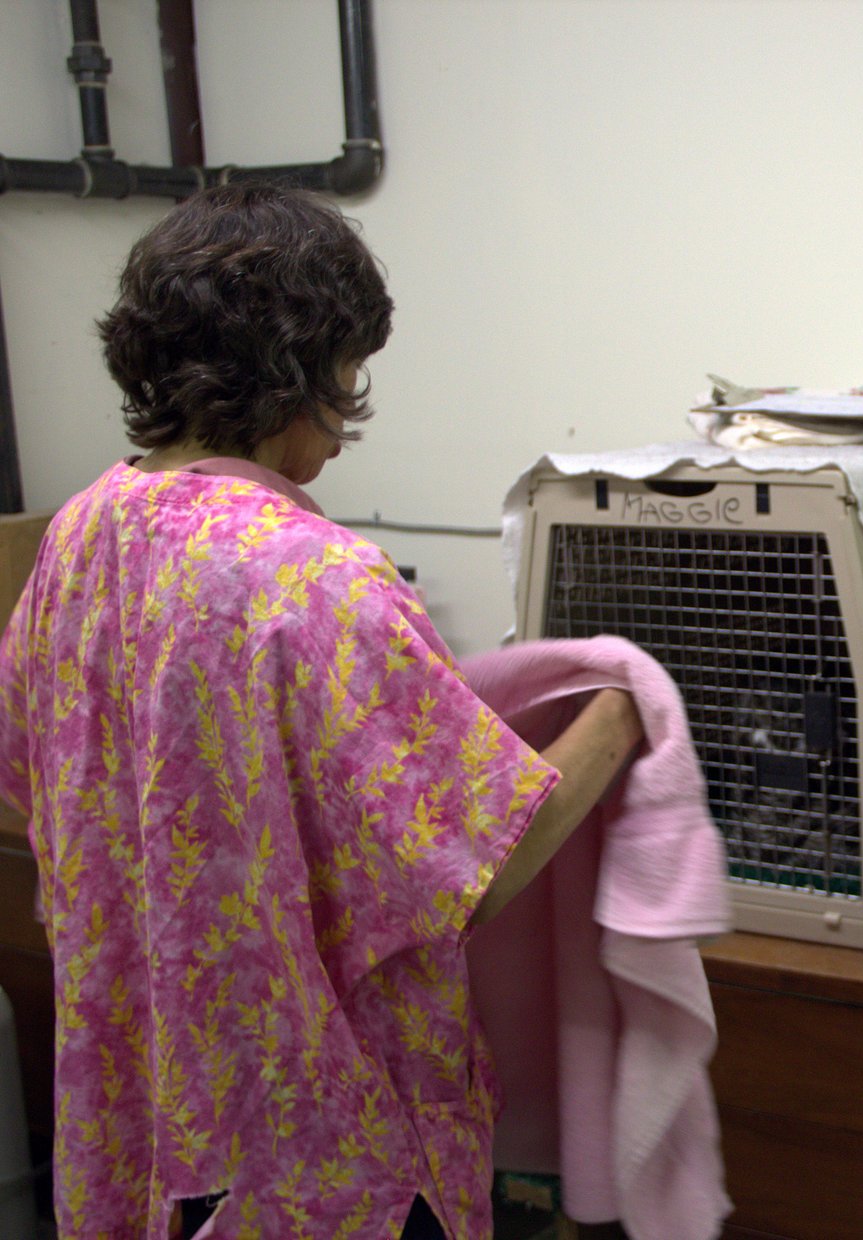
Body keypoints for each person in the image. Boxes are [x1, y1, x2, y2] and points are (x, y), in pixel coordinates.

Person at [0, 182, 644, 1239]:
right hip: (313, 1149)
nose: (348, 418)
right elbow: (473, 871)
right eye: (346, 377)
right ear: (290, 372)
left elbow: (35, 777)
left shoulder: (78, 538)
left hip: (147, 1121)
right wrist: (617, 716)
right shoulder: (317, 579)